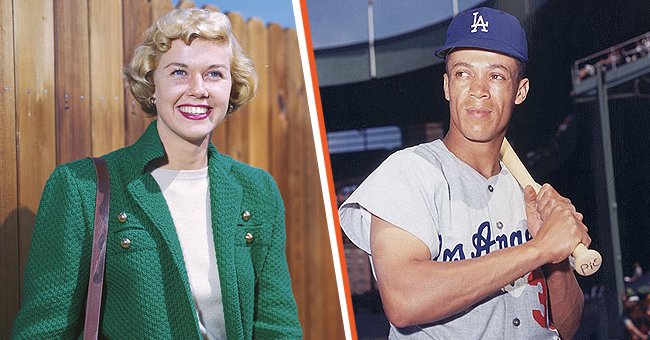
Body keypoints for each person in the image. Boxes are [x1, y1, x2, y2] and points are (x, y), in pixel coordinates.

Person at [12, 8, 302, 339]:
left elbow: (277, 327)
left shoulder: (258, 190)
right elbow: (43, 331)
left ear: (232, 88)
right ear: (152, 85)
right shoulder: (80, 187)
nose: (198, 89)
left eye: (214, 74)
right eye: (179, 72)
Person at [339, 7, 589, 339]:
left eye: (496, 75)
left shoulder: (528, 192)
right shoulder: (408, 173)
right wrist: (538, 250)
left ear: (520, 90)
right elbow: (404, 300)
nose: (478, 90)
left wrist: (557, 261)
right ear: (447, 86)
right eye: (463, 73)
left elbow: (568, 327)